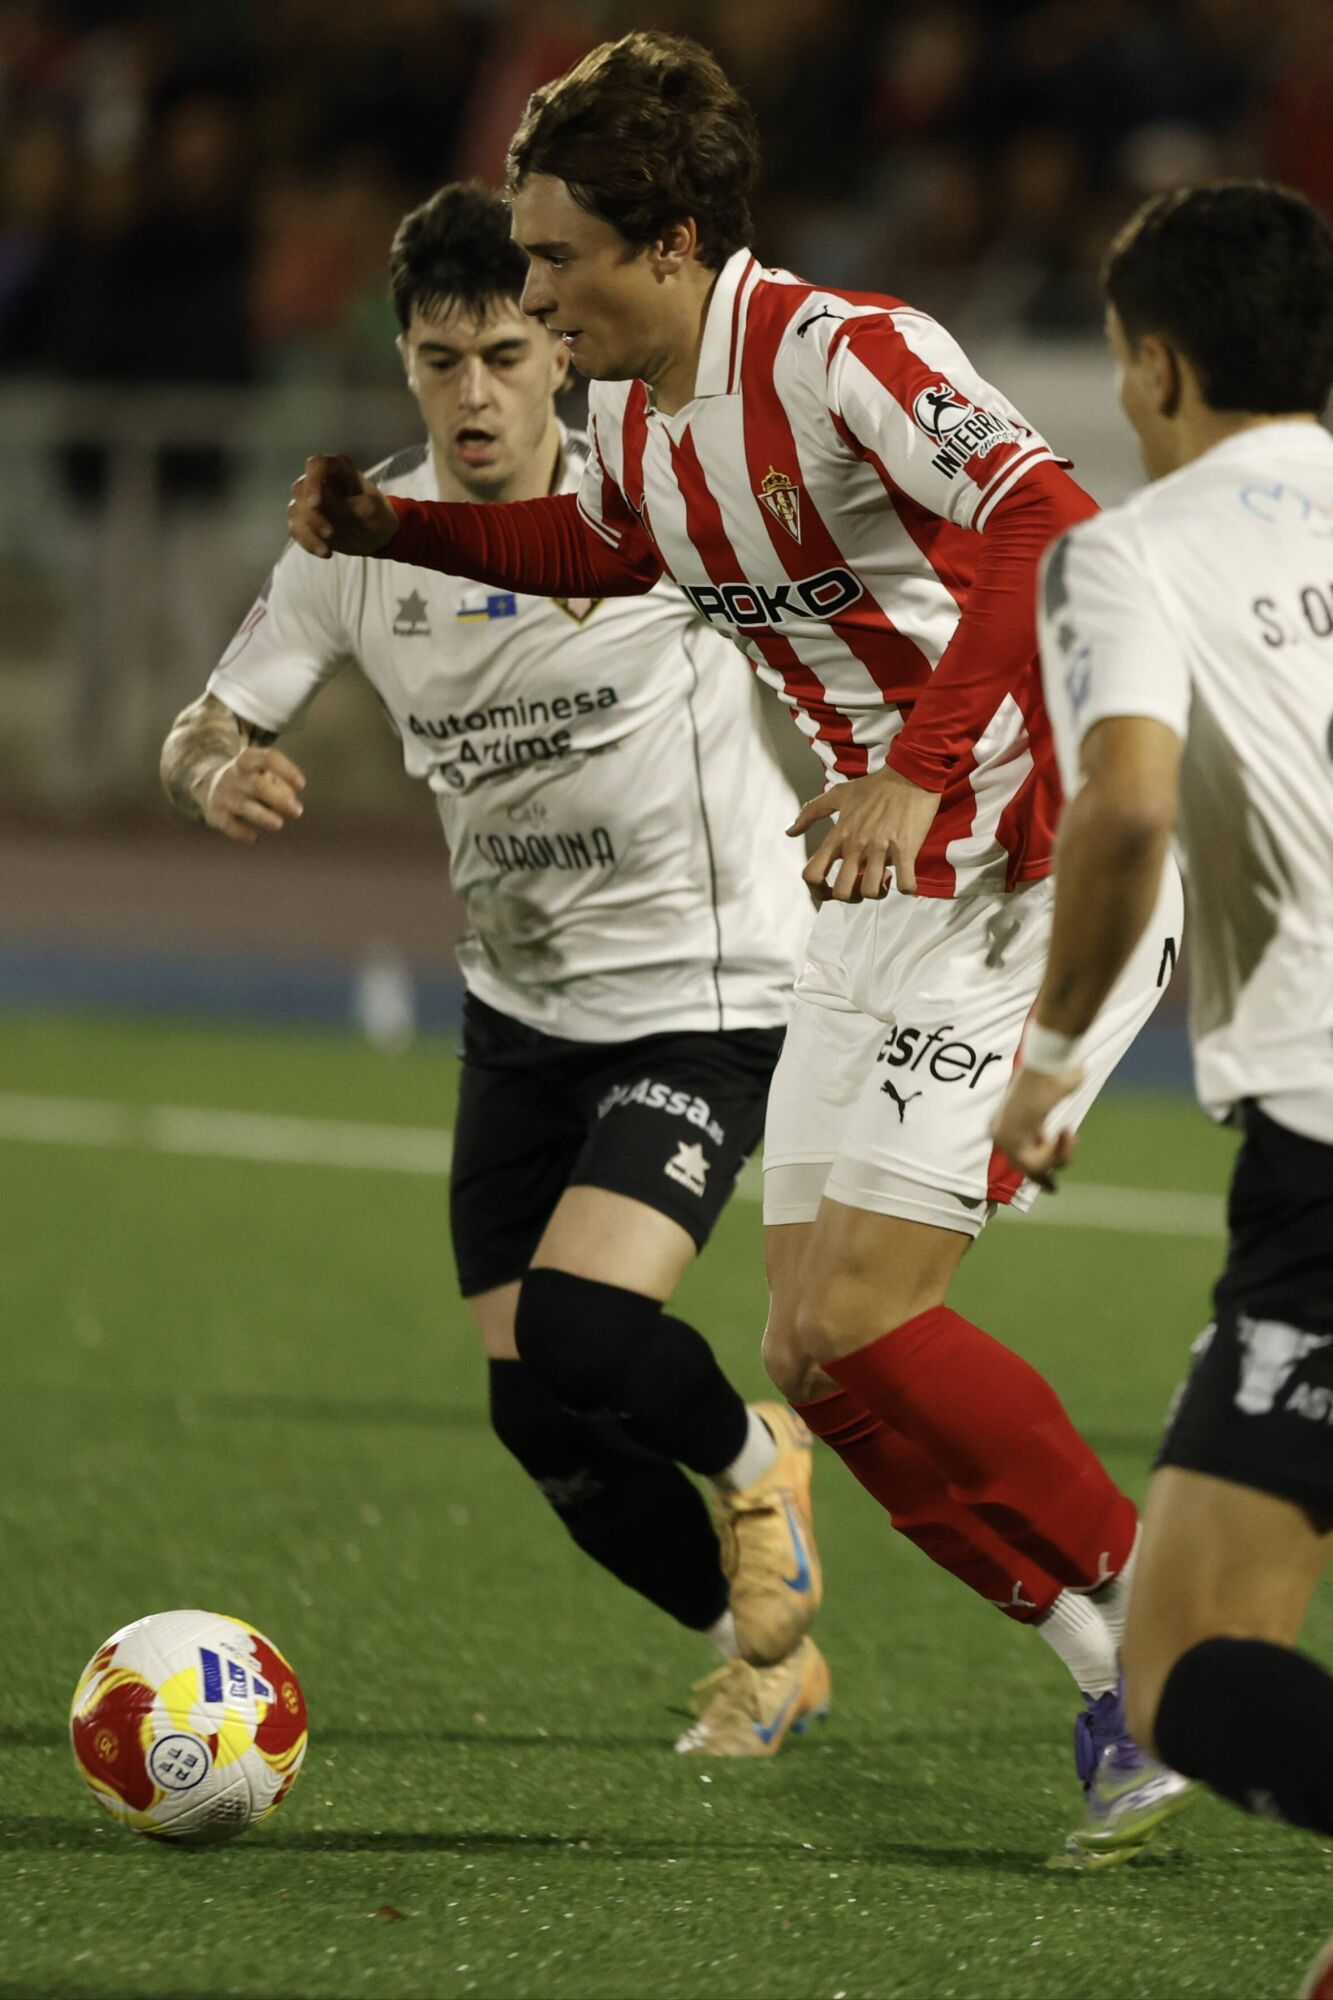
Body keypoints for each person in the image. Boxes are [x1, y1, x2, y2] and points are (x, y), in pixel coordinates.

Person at [287, 33, 1191, 1864]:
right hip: (875, 888)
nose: (536, 298)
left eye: (558, 260)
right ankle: (1114, 1672)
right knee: (811, 1353)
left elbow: (1048, 526)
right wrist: (407, 528)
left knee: (864, 1315)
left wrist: (918, 768)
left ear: (672, 241)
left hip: (1014, 861)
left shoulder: (845, 354)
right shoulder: (635, 412)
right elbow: (606, 548)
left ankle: (1165, 1632)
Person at [161, 180, 831, 1759]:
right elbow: (202, 721)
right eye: (439, 361)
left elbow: (845, 618)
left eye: (506, 356)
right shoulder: (359, 545)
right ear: (403, 362)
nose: (473, 395)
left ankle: (759, 1465)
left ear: (560, 353)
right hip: (520, 1013)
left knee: (585, 1329)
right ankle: (760, 1658)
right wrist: (212, 772)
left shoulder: (655, 504)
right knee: (533, 1409)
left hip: (705, 994)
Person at [990, 177, 1333, 1968]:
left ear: (1156, 366)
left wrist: (1047, 1062)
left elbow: (1123, 808)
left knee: (1184, 1670)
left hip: (1325, 1151)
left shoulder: (1127, 552)